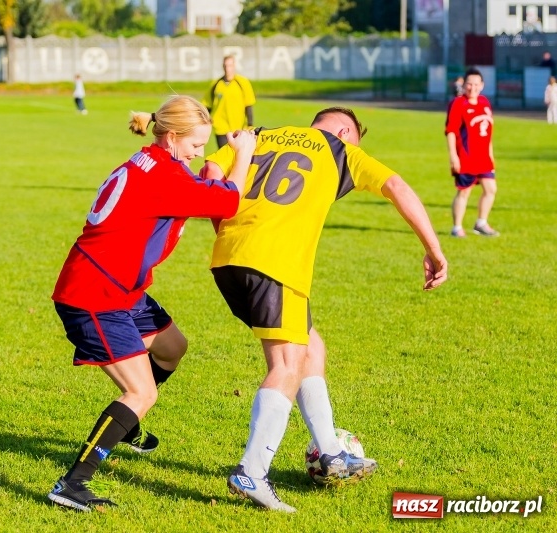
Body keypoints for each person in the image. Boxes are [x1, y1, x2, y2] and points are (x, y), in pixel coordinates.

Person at [200, 107, 448, 513]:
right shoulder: (340, 150)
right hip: (275, 263)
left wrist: (230, 231)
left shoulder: (261, 133)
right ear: (345, 131)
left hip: (228, 258)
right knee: (287, 364)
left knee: (311, 348)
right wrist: (434, 250)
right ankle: (252, 472)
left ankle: (331, 452)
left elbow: (211, 168)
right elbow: (396, 186)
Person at [47, 95, 257, 512]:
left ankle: (125, 425)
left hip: (122, 287)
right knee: (141, 392)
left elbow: (195, 188)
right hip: (95, 293)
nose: (199, 151)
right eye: (195, 144)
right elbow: (228, 202)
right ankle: (72, 483)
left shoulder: (155, 161)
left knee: (171, 347)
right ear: (172, 136)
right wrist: (244, 154)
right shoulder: (164, 176)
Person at [445, 67, 499, 237]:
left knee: (491, 189)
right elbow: (451, 131)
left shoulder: (484, 103)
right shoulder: (458, 103)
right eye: (469, 84)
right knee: (464, 191)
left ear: (482, 85)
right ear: (464, 85)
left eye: (476, 84)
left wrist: (490, 155)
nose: (472, 88)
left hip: (484, 158)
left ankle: (481, 223)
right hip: (466, 157)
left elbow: (488, 132)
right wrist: (453, 156)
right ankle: (457, 228)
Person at [202, 55, 256, 148]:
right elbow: (207, 106)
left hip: (238, 128)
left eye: (230, 65)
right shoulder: (216, 84)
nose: (227, 69)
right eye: (225, 66)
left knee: (237, 154)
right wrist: (203, 124)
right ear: (223, 67)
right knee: (225, 154)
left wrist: (250, 124)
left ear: (234, 66)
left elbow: (249, 105)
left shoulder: (243, 83)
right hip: (220, 127)